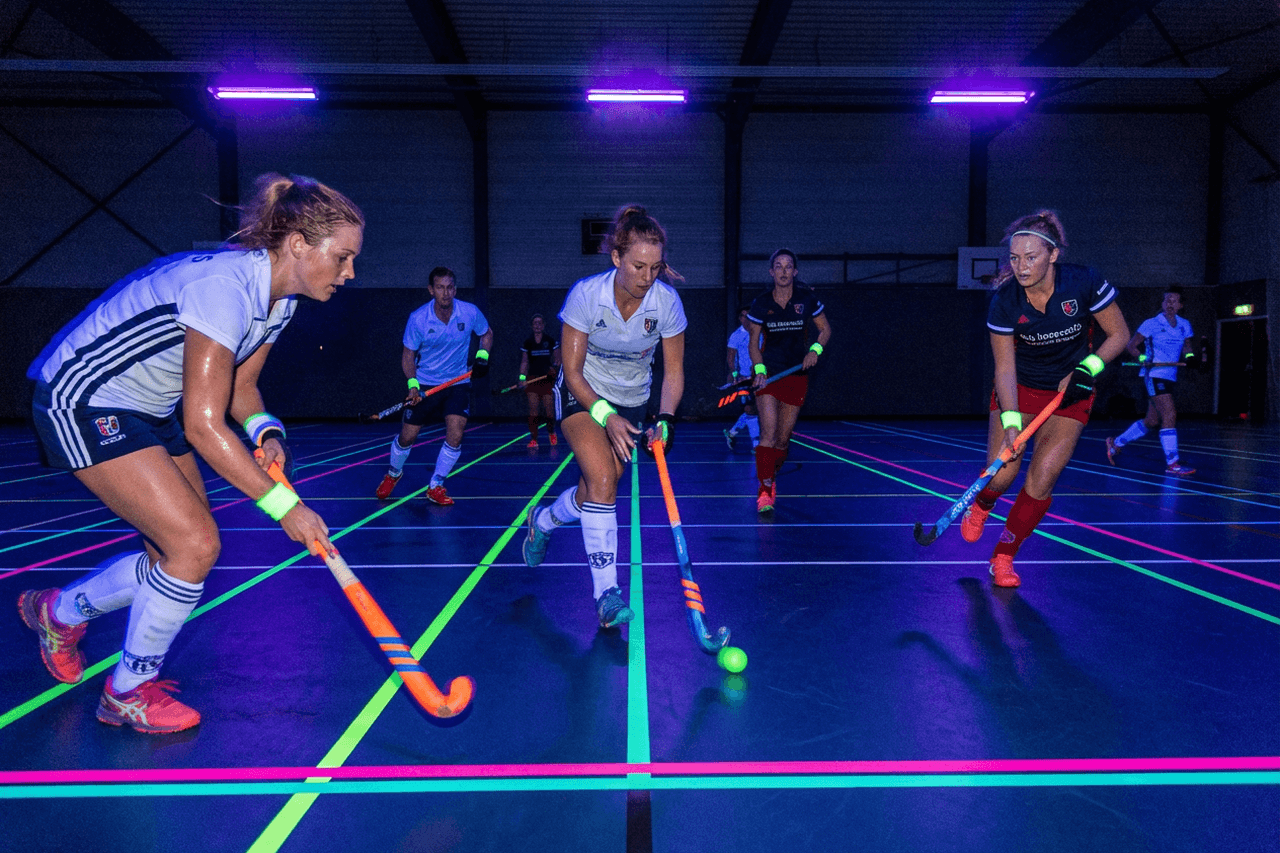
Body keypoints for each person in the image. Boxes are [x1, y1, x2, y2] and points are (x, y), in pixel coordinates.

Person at [20, 173, 362, 733]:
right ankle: (126, 694)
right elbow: (204, 426)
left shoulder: (280, 300)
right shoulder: (225, 288)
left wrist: (265, 433)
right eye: (343, 257)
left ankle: (56, 613)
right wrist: (286, 508)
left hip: (154, 407)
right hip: (84, 397)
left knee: (175, 557)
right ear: (299, 244)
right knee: (195, 544)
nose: (350, 273)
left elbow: (242, 391)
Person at [521, 205, 686, 627]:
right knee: (603, 482)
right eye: (638, 266)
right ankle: (607, 594)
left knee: (593, 489)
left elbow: (674, 373)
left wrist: (665, 417)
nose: (647, 277)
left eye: (656, 267)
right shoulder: (586, 295)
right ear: (616, 258)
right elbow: (572, 373)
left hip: (634, 401)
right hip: (584, 395)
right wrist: (605, 414)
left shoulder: (666, 303)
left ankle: (543, 521)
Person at [961, 210, 1130, 588]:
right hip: (1019, 390)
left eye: (1031, 257)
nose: (1021, 267)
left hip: (1071, 392)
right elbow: (1004, 368)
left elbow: (1118, 335)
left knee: (1042, 480)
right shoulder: (1005, 302)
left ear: (1053, 255)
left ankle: (1004, 556)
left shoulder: (1083, 282)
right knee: (1003, 474)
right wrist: (1010, 424)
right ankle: (983, 502)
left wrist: (1087, 368)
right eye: (1015, 258)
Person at [374, 267, 493, 505]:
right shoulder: (418, 318)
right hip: (426, 383)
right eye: (440, 287)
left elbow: (487, 333)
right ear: (431, 290)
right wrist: (413, 386)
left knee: (456, 434)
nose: (445, 293)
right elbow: (408, 355)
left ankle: (436, 485)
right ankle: (393, 473)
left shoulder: (469, 312)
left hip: (458, 382)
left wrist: (482, 356)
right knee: (407, 437)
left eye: (450, 287)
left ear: (455, 289)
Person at [746, 249, 832, 513]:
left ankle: (770, 476)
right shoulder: (761, 303)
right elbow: (753, 343)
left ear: (795, 272)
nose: (783, 271)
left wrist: (814, 352)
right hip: (769, 375)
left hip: (797, 374)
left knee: (783, 441)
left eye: (788, 266)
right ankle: (764, 489)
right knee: (768, 435)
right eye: (778, 266)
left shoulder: (806, 299)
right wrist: (759, 369)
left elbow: (825, 330)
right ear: (772, 272)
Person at [1106, 286, 1197, 475]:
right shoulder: (1151, 324)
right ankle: (1173, 464)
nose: (1170, 304)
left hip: (1170, 375)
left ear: (1180, 305)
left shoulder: (1184, 325)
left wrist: (1190, 357)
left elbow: (1187, 347)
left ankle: (1116, 443)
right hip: (1154, 375)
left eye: (1174, 301)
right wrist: (1143, 359)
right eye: (1166, 300)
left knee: (1152, 420)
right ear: (1162, 303)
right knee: (1170, 415)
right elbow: (1132, 346)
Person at [518, 313, 562, 448]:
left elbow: (558, 360)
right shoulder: (528, 342)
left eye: (539, 323)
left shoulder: (550, 341)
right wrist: (522, 378)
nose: (537, 325)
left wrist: (554, 368)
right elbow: (524, 362)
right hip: (532, 380)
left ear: (543, 325)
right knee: (533, 411)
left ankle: (551, 432)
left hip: (547, 380)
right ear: (532, 326)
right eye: (535, 323)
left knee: (549, 411)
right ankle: (534, 439)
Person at [723, 307, 759, 450]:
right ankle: (756, 445)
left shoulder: (759, 332)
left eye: (749, 316)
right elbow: (731, 357)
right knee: (749, 408)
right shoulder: (736, 335)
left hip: (759, 376)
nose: (746, 319)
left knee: (756, 409)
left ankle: (732, 432)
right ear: (740, 318)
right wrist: (734, 374)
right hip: (744, 378)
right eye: (743, 316)